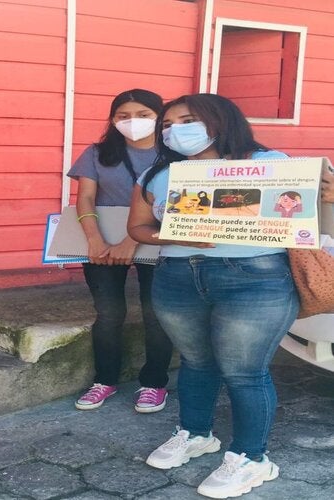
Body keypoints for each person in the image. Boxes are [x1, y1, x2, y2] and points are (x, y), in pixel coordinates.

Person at [128, 93, 298, 499]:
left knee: (244, 370)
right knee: (195, 361)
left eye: (186, 120)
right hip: (176, 276)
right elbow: (138, 229)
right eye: (167, 124)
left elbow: (305, 211)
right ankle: (195, 433)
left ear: (219, 121)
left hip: (254, 278)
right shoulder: (158, 174)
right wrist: (176, 233)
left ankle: (251, 457)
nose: (174, 131)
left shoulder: (271, 163)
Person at [67, 89, 173, 413]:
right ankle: (104, 380)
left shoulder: (175, 156)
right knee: (109, 314)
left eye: (143, 114)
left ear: (159, 118)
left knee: (156, 315)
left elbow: (180, 206)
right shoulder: (98, 153)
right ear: (113, 120)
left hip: (155, 239)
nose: (132, 122)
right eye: (123, 116)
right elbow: (85, 198)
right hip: (102, 240)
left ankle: (154, 384)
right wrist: (94, 240)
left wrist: (133, 239)